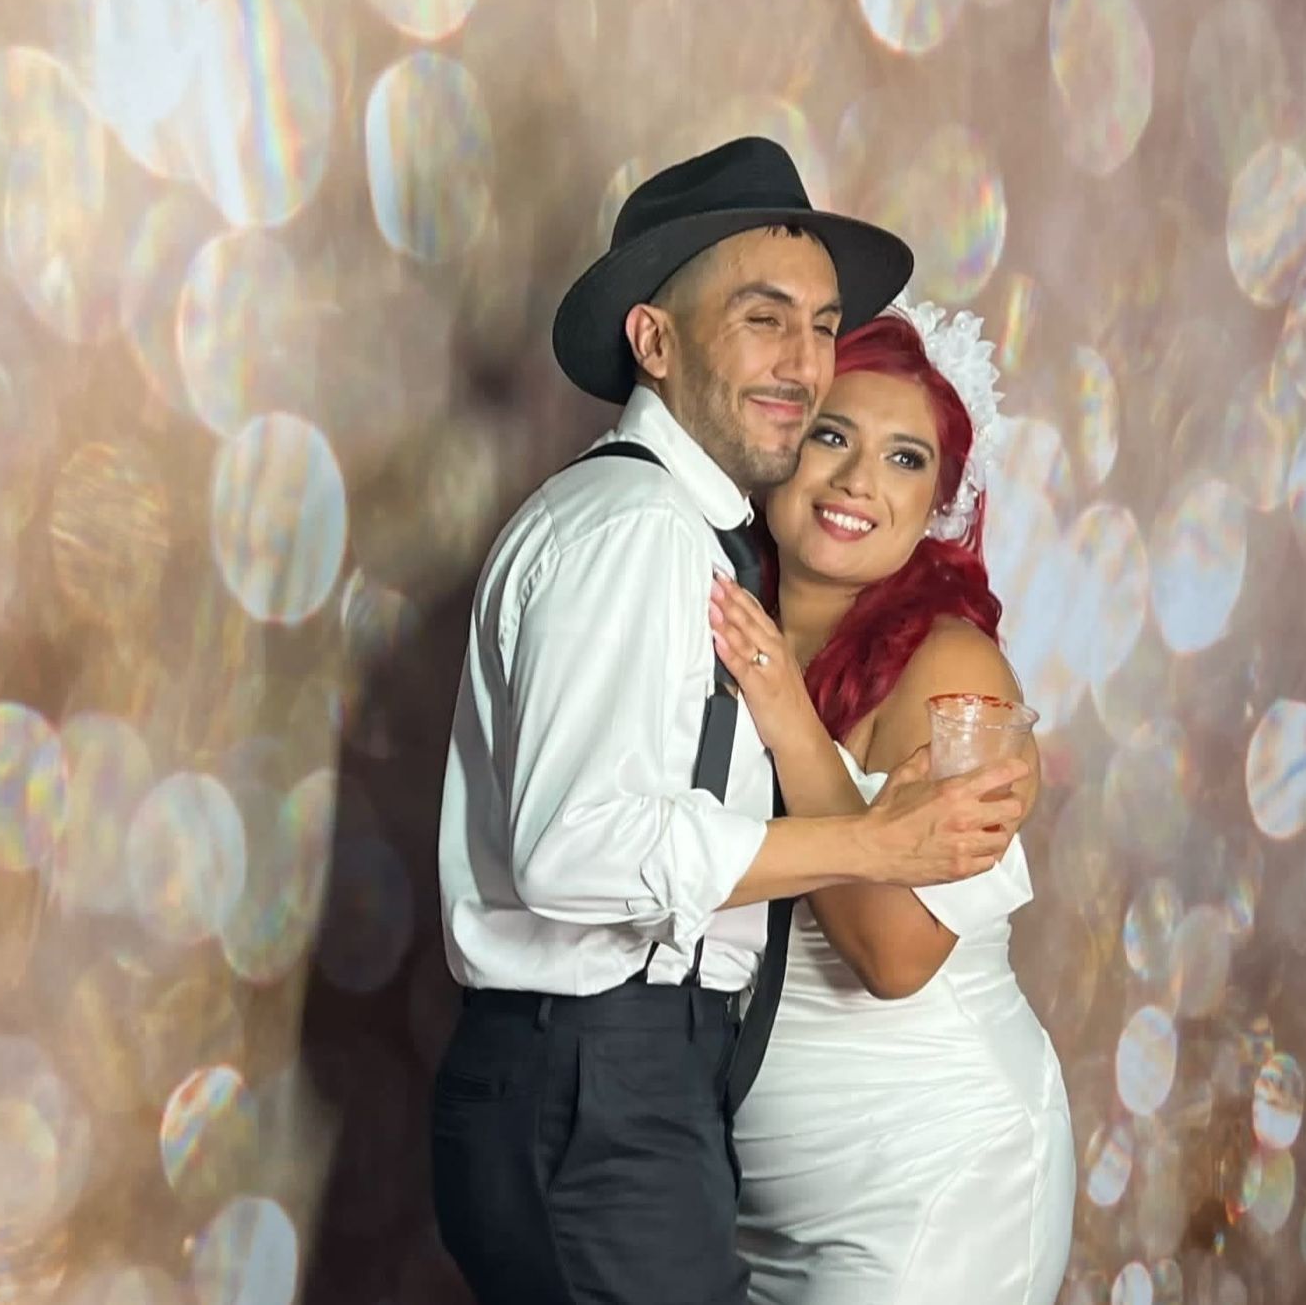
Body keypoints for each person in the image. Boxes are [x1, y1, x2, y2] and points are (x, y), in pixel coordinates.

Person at [430, 139, 1036, 1305]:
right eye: (765, 320)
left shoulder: (703, 547)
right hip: (596, 1084)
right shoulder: (640, 531)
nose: (804, 363)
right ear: (653, 341)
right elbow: (576, 849)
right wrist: (874, 841)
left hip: (640, 1095)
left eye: (820, 326)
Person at [706, 303, 1077, 1304]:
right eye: (833, 434)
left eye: (906, 458)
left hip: (937, 1188)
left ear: (941, 503)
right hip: (751, 1204)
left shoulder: (954, 668)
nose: (861, 480)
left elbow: (895, 955)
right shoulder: (711, 609)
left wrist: (789, 715)